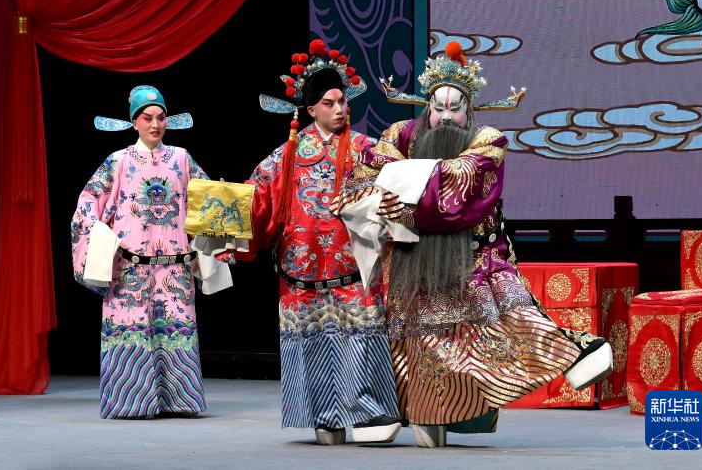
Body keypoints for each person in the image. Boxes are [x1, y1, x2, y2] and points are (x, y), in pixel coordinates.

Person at [336, 42, 613, 447]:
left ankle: (578, 352)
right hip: (411, 262)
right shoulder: (400, 134)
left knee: (508, 324)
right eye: (438, 108)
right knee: (412, 340)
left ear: (470, 110)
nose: (446, 117)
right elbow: (367, 173)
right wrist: (390, 191)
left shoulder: (488, 141)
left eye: (456, 108)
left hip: (475, 257)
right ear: (427, 108)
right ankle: (410, 413)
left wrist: (401, 183)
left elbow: (459, 182)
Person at [243, 39, 400, 445]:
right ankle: (324, 418)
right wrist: (224, 212)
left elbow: (399, 188)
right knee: (313, 345)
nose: (340, 109)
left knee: (361, 340)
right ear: (311, 110)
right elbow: (256, 198)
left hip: (353, 269)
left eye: (343, 101)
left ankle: (368, 414)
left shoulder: (367, 150)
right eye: (330, 103)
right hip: (302, 270)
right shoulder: (287, 155)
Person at [70, 85, 232, 419]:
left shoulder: (182, 158)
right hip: (129, 267)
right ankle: (130, 402)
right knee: (130, 330)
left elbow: (207, 200)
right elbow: (87, 203)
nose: (155, 124)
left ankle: (181, 401)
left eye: (161, 117)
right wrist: (100, 233)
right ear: (134, 122)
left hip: (174, 266)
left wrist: (221, 200)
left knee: (176, 330)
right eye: (147, 118)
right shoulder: (118, 161)